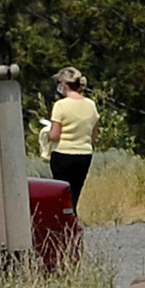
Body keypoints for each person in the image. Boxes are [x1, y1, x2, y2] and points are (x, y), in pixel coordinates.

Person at [41, 67, 100, 209]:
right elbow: (94, 134)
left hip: (63, 153)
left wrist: (46, 132)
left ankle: (64, 223)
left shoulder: (60, 106)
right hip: (84, 154)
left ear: (64, 84)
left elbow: (54, 135)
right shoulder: (91, 105)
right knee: (75, 192)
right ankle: (73, 219)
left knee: (62, 193)